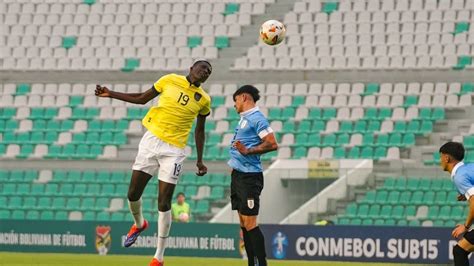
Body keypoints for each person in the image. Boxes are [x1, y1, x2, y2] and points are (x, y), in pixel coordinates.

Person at [95, 59, 212, 266]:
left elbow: (200, 130)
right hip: (151, 141)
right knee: (132, 194)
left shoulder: (204, 100)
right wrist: (110, 93)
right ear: (191, 68)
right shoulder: (169, 80)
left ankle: (159, 257)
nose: (205, 72)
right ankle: (139, 224)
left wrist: (200, 160)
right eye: (202, 68)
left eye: (208, 71)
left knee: (164, 202)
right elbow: (141, 99)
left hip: (175, 150)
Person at [228, 85, 278, 266]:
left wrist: (248, 151)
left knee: (250, 223)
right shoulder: (245, 119)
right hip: (239, 176)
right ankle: (251, 263)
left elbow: (272, 143)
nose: (234, 105)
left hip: (250, 178)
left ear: (243, 97)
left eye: (235, 101)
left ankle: (262, 264)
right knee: (243, 223)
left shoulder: (257, 118)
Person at [439, 142, 474, 266]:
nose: (440, 161)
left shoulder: (460, 176)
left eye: (441, 157)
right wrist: (466, 194)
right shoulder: (469, 168)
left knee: (459, 251)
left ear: (447, 158)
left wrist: (466, 226)